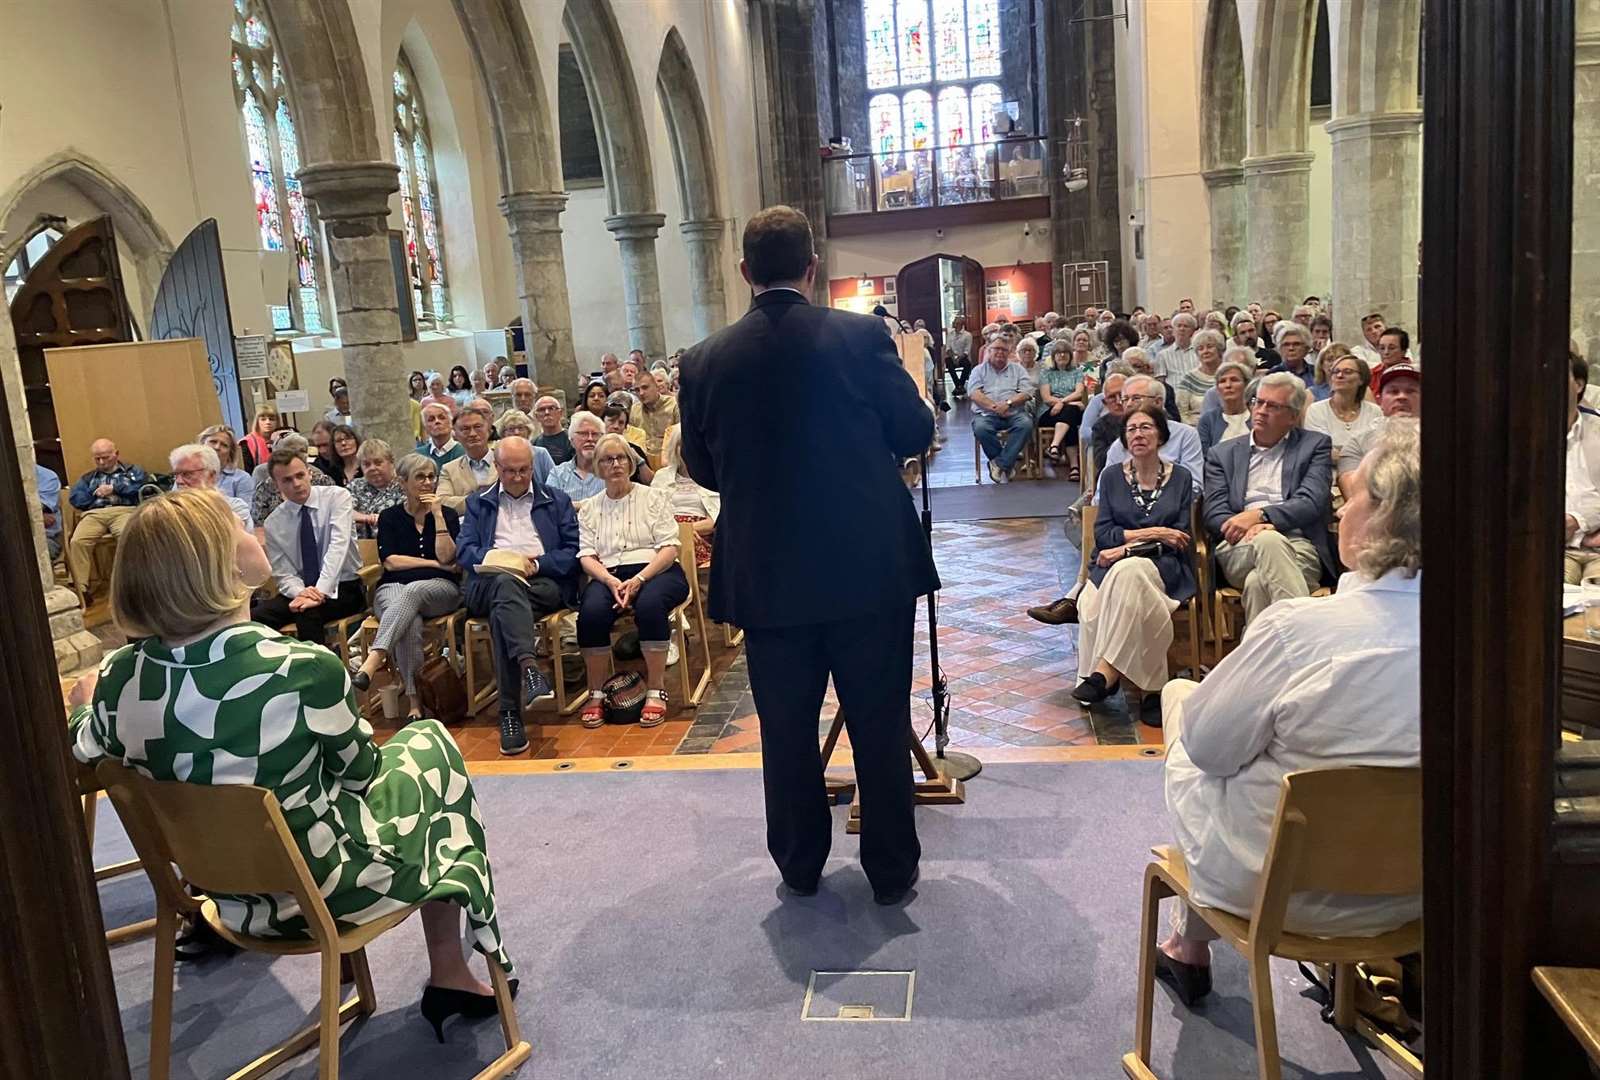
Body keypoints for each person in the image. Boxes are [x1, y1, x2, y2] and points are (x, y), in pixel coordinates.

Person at [67, 488, 515, 1026]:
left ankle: (393, 971)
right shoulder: (300, 667)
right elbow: (362, 773)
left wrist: (82, 702)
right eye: (238, 528)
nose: (253, 533)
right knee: (430, 746)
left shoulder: (121, 676)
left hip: (226, 902)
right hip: (325, 897)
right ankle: (451, 971)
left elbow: (84, 745)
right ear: (220, 565)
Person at [678, 205, 935, 906]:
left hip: (769, 573)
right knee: (879, 719)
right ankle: (889, 869)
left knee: (786, 727)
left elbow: (702, 467)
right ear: (812, 268)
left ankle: (798, 862)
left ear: (743, 273)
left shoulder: (703, 360)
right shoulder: (861, 337)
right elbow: (913, 430)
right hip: (867, 567)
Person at [1155, 421, 1421, 1004]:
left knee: (1184, 707)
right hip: (1414, 894)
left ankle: (1187, 945)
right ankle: (1188, 944)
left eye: (1348, 500)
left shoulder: (1297, 630)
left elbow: (1209, 751)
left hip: (1278, 889)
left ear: (1378, 518)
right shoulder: (1484, 640)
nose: (1337, 514)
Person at [1072, 404, 1196, 720]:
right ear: (1125, 440)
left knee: (1130, 571)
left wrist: (1125, 548)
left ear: (1161, 435)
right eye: (1131, 429)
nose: (1138, 434)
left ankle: (1104, 674)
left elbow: (1178, 537)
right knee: (1110, 596)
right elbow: (1103, 534)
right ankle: (1153, 688)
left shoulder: (1181, 477)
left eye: (1146, 427)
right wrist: (1155, 532)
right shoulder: (1112, 476)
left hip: (1164, 567)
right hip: (1113, 567)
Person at [455, 437, 578, 755]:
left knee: (503, 608)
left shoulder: (556, 500)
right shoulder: (478, 502)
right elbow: (465, 551)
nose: (518, 477)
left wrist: (537, 564)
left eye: (524, 470)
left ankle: (510, 714)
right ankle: (530, 668)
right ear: (497, 468)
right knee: (503, 586)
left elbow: (571, 552)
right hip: (488, 582)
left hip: (540, 583)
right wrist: (499, 559)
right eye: (510, 471)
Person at [573, 433, 692, 729]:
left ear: (630, 462)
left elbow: (669, 548)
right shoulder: (590, 507)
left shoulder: (654, 496)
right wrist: (610, 581)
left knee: (651, 605)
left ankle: (655, 688)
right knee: (591, 613)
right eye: (607, 460)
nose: (615, 464)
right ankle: (597, 692)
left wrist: (639, 579)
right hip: (609, 573)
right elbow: (586, 555)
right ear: (598, 467)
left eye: (621, 458)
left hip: (657, 570)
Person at [1203, 372, 1336, 625]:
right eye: (1258, 402)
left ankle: (1257, 660)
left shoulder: (1314, 445)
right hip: (1238, 546)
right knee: (1268, 540)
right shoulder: (1222, 454)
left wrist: (1262, 516)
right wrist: (1251, 527)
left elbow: (1312, 500)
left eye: (1273, 406)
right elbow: (1213, 512)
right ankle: (1306, 640)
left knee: (1257, 584)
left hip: (1300, 545)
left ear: (1293, 417)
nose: (1261, 411)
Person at [351, 453, 463, 719]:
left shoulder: (446, 514)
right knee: (408, 621)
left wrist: (437, 514)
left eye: (431, 477)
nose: (427, 483)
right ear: (403, 482)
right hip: (393, 586)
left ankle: (374, 659)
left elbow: (448, 557)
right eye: (420, 477)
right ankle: (415, 700)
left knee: (413, 592)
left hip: (440, 590)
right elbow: (390, 562)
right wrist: (434, 564)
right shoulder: (389, 516)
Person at [251, 448, 366, 646]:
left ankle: (321, 673)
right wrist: (301, 593)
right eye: (287, 480)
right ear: (275, 484)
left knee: (307, 612)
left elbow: (338, 547)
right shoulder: (274, 522)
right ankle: (277, 669)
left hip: (343, 586)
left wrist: (320, 591)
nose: (296, 484)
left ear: (309, 473)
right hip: (302, 589)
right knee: (254, 618)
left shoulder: (337, 497)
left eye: (300, 475)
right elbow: (283, 573)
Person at [67, 439, 149, 597]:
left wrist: (115, 488)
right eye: (97, 458)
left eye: (105, 457)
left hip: (124, 510)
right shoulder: (88, 478)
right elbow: (76, 499)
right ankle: (80, 589)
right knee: (77, 541)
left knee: (126, 536)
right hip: (95, 513)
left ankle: (133, 583)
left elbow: (141, 488)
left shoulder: (132, 471)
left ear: (116, 454)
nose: (101, 462)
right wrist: (94, 495)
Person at [1104, 374, 1203, 491]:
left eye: (1136, 398)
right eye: (1125, 399)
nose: (1129, 404)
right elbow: (1102, 492)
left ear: (1158, 402)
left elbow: (1194, 486)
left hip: (1172, 505)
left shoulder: (1186, 435)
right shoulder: (1120, 445)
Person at [1337, 363, 1422, 498]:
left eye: (1411, 391)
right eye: (1393, 391)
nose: (1401, 396)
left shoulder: (1444, 440)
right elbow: (1354, 495)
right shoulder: (1357, 444)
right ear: (1380, 401)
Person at [968, 338, 1036, 484]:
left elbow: (1027, 392)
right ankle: (1007, 464)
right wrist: (995, 407)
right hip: (987, 413)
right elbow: (974, 393)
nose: (1000, 352)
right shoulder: (978, 370)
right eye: (996, 348)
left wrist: (1008, 404)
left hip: (1014, 412)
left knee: (1026, 424)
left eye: (1004, 350)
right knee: (980, 428)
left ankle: (999, 464)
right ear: (989, 351)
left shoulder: (1018, 369)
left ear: (1009, 352)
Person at [652, 425, 719, 569]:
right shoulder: (662, 476)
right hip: (667, 533)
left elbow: (715, 520)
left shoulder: (712, 477)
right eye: (682, 445)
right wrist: (679, 531)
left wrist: (686, 531)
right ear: (674, 448)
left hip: (700, 535)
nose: (689, 451)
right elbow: (651, 516)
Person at [1304, 353, 1382, 465]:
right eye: (1336, 372)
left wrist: (1338, 452)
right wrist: (1359, 453)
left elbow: (1377, 451)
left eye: (1348, 372)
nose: (1340, 375)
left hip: (1365, 473)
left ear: (1361, 379)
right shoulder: (1316, 410)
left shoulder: (1374, 411)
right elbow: (1320, 451)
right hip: (1328, 473)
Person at [249, 432, 336, 527]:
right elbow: (259, 523)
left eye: (302, 450)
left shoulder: (323, 481)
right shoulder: (265, 487)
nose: (298, 454)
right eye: (292, 450)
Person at [1564, 354, 1600, 582]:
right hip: (1554, 551)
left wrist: (1576, 521)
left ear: (1578, 384)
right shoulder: (1525, 436)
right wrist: (1581, 534)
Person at [1039, 339, 1088, 479]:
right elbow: (1047, 398)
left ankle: (1054, 446)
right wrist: (1064, 403)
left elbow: (1079, 393)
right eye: (1059, 353)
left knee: (1069, 413)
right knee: (1070, 418)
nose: (1062, 356)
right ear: (1053, 356)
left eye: (1065, 353)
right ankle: (1074, 467)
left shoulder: (1077, 372)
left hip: (1069, 409)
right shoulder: (1046, 373)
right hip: (1050, 412)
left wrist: (1062, 402)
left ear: (1070, 356)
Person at [169, 443, 252, 526]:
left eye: (187, 474)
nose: (179, 481)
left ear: (211, 475)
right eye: (175, 475)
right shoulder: (170, 511)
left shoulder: (234, 509)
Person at [437, 409, 499, 511]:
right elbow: (442, 502)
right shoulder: (449, 469)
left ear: (489, 430)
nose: (473, 434)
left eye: (478, 427)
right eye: (465, 429)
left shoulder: (506, 461)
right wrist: (483, 499)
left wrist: (463, 500)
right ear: (455, 435)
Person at [347, 438, 405, 538]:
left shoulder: (404, 486)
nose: (372, 468)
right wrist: (367, 518)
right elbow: (342, 511)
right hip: (359, 547)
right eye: (366, 464)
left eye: (378, 463)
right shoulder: (355, 486)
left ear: (391, 462)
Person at [1196, 356, 1254, 452]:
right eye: (1222, 381)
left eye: (1234, 380)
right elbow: (1204, 456)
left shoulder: (1257, 415)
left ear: (1246, 385)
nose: (1228, 385)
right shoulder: (1209, 419)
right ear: (1218, 389)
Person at [548, 411, 606, 501]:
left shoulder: (610, 472)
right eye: (583, 434)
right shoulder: (557, 474)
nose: (590, 439)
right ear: (571, 440)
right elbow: (552, 507)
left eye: (595, 434)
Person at [1175, 329, 1224, 425]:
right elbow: (1182, 413)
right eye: (1200, 348)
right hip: (1196, 428)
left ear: (1219, 349)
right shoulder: (1188, 379)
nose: (1205, 351)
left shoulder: (1229, 374)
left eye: (1209, 347)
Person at [199, 425, 256, 505]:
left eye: (224, 445)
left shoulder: (242, 479)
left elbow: (243, 513)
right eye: (213, 442)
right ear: (202, 444)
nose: (217, 447)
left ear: (230, 453)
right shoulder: (187, 473)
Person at [602, 404, 656, 484]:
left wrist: (639, 461)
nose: (616, 426)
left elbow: (650, 482)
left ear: (625, 427)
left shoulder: (635, 450)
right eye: (612, 421)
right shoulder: (593, 450)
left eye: (621, 423)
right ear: (602, 422)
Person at [1267, 322, 1316, 389]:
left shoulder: (1316, 373)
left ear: (1306, 348)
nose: (1291, 348)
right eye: (1286, 344)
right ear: (1280, 349)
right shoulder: (1272, 375)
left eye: (1296, 344)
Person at [418, 401, 465, 470]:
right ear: (425, 428)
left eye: (442, 418)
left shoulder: (464, 452)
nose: (437, 421)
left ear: (451, 423)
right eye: (431, 419)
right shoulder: (419, 455)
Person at [524, 396, 570, 464]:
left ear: (560, 413)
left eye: (551, 408)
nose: (547, 412)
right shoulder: (534, 444)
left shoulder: (571, 439)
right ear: (536, 416)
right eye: (542, 409)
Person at [1156, 312, 1199, 382]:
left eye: (1186, 326)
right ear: (1173, 330)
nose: (1182, 329)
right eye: (1179, 326)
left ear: (1192, 331)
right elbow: (1160, 382)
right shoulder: (1162, 355)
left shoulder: (1199, 352)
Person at [1370, 326, 1413, 393]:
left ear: (1404, 351)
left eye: (1392, 348)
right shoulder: (1372, 374)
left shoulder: (1413, 374)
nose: (1386, 352)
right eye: (1382, 348)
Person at [36, 463, 63, 560]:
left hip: (45, 537)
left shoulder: (47, 477)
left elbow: (35, 509)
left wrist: (37, 516)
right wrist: (39, 517)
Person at [240, 408, 278, 472]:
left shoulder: (283, 440)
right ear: (257, 422)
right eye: (263, 419)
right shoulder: (246, 443)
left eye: (271, 419)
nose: (268, 422)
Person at [946, 314, 975, 397]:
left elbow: (967, 351)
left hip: (963, 357)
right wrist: (954, 358)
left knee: (967, 364)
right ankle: (959, 386)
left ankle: (959, 386)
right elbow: (948, 349)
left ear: (961, 324)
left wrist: (958, 359)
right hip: (952, 356)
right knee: (948, 362)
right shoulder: (950, 334)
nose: (953, 323)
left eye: (955, 322)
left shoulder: (967, 335)